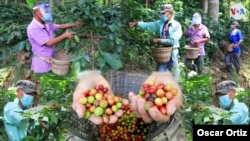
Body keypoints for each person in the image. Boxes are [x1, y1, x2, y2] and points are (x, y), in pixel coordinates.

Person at [129, 4, 183, 81]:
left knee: (174, 78)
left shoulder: (176, 25)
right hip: (162, 54)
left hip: (172, 54)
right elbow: (148, 25)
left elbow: (173, 41)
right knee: (158, 77)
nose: (162, 15)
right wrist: (137, 23)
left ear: (170, 13)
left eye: (163, 13)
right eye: (161, 13)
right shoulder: (160, 23)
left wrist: (159, 40)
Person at [27, 2, 84, 73]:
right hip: (41, 63)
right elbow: (49, 43)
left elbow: (60, 26)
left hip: (52, 60)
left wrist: (74, 24)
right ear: (36, 12)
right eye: (45, 11)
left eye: (47, 11)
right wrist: (65, 35)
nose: (47, 13)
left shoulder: (46, 23)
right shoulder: (33, 27)